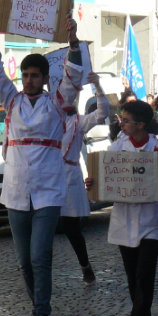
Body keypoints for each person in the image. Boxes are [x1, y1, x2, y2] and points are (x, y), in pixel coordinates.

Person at [0, 9, 84, 316]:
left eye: (35, 75)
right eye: (25, 74)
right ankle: (37, 306)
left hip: (48, 192)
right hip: (14, 192)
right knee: (24, 260)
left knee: (41, 255)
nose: (29, 79)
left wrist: (72, 39)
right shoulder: (11, 102)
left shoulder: (57, 103)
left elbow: (73, 76)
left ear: (44, 78)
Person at [86, 100, 158, 316]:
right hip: (124, 221)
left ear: (140, 125)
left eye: (125, 120)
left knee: (144, 273)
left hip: (153, 222)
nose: (121, 124)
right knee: (132, 276)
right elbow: (105, 181)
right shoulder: (115, 150)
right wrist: (93, 184)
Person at [59, 70, 109, 286]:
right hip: (46, 177)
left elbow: (102, 113)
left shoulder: (77, 121)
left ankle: (85, 265)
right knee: (39, 224)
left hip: (69, 176)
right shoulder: (45, 119)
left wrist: (97, 87)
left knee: (71, 228)